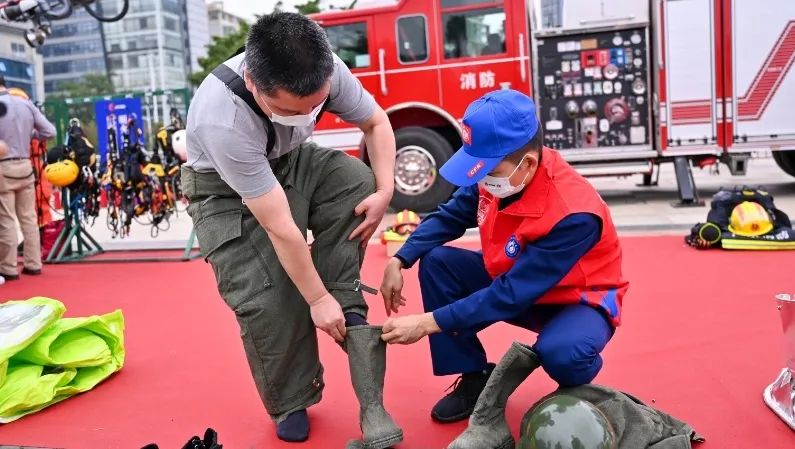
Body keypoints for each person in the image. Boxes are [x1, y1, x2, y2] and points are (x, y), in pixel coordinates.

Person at [182, 12, 401, 446]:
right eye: (287, 110)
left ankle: (349, 309)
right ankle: (291, 398)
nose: (303, 115)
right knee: (269, 295)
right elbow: (280, 226)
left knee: (356, 183)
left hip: (288, 161)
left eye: (313, 107)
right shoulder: (221, 118)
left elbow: (377, 123)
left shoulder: (325, 69)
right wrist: (315, 299)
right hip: (225, 193)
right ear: (252, 82)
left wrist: (385, 191)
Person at [379, 90, 628, 431]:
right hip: (512, 279)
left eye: (485, 169)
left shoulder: (573, 212)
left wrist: (424, 323)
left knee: (563, 353)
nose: (480, 179)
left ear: (527, 163)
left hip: (575, 300)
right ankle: (474, 374)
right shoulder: (498, 175)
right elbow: (450, 216)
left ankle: (581, 389)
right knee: (437, 262)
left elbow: (510, 295)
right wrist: (401, 258)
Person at [0, 75, 55, 280]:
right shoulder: (25, 103)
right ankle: (33, 264)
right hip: (25, 164)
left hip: (3, 167)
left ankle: (8, 268)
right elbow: (49, 131)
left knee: (5, 219)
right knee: (29, 218)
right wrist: (30, 135)